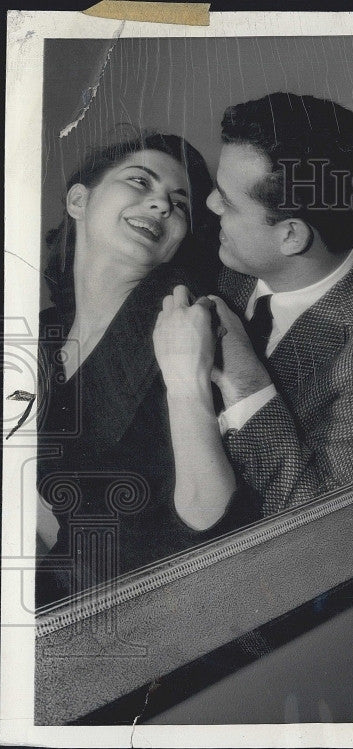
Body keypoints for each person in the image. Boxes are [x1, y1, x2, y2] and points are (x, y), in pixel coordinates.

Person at [158, 93, 353, 518]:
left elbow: (318, 540)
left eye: (228, 202)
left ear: (292, 236)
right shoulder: (220, 262)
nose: (210, 206)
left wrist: (246, 383)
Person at [35, 131, 233, 607]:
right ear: (79, 200)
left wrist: (186, 383)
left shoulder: (188, 324)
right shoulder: (44, 333)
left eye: (179, 204)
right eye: (139, 181)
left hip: (139, 613)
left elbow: (209, 515)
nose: (162, 205)